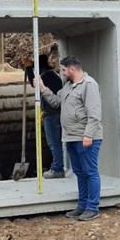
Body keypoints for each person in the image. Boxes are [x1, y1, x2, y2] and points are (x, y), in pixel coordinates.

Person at [38, 55, 103, 221]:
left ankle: (92, 207)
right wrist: (43, 89)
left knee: (90, 172)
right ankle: (82, 206)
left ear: (72, 69)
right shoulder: (67, 86)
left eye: (63, 70)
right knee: (80, 173)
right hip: (71, 137)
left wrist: (88, 135)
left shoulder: (89, 85)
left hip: (86, 138)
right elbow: (56, 102)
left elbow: (94, 113)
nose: (61, 73)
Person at [26, 52, 65, 179]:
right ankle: (58, 165)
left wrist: (28, 69)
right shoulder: (53, 75)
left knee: (54, 142)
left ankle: (57, 168)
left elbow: (34, 84)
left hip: (52, 114)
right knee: (56, 142)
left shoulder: (46, 77)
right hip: (55, 114)